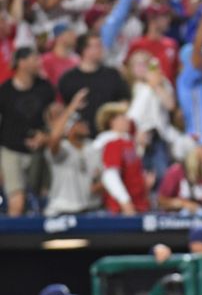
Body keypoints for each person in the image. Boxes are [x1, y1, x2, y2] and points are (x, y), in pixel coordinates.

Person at [0, 47, 55, 216]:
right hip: (11, 150)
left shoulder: (45, 88)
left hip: (39, 150)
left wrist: (45, 136)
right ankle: (9, 241)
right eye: (34, 59)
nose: (39, 63)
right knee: (17, 202)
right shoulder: (5, 91)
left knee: (43, 199)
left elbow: (54, 117)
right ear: (21, 63)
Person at [59, 32, 130, 138]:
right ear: (84, 50)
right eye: (97, 46)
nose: (101, 49)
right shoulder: (68, 79)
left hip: (110, 135)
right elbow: (62, 110)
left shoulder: (112, 74)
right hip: (81, 138)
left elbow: (124, 101)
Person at [44, 89, 102, 216]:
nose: (84, 124)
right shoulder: (63, 148)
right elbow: (54, 138)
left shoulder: (92, 147)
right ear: (69, 129)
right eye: (78, 122)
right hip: (61, 210)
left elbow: (100, 178)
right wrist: (71, 107)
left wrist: (100, 185)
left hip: (88, 210)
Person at [94, 102, 151, 214]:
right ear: (112, 121)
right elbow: (110, 176)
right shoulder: (111, 143)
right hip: (122, 210)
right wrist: (125, 202)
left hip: (138, 205)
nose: (127, 120)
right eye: (123, 117)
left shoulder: (127, 142)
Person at [157, 142, 202, 213]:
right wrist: (182, 204)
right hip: (178, 217)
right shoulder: (175, 172)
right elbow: (161, 201)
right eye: (199, 148)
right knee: (185, 212)